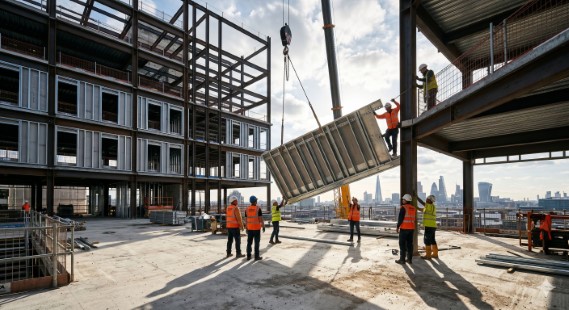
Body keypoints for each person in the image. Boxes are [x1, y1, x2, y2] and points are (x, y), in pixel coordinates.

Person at [396, 194, 416, 264]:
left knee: (402, 244)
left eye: (403, 199)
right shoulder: (413, 208)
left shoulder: (403, 208)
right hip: (411, 229)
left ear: (406, 200)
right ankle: (409, 259)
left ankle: (402, 260)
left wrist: (398, 226)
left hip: (404, 228)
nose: (402, 200)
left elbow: (400, 219)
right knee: (410, 244)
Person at [416, 194, 438, 259]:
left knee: (427, 240)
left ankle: (428, 256)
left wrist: (417, 197)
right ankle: (435, 254)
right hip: (433, 226)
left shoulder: (429, 206)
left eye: (427, 199)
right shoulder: (432, 207)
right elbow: (422, 209)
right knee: (432, 240)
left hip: (429, 226)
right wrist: (416, 207)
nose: (426, 200)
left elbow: (423, 203)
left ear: (430, 200)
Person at [245, 196, 265, 261]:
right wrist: (263, 226)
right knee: (256, 243)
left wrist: (246, 228)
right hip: (256, 229)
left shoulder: (247, 209)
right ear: (255, 201)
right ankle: (256, 257)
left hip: (250, 228)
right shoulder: (258, 209)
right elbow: (261, 219)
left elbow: (246, 220)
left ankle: (248, 256)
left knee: (249, 243)